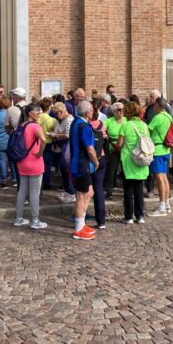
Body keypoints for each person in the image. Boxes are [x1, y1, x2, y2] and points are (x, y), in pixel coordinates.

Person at [12, 103, 47, 229]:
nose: (39, 113)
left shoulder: (20, 126)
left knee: (22, 191)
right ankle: (35, 220)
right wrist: (40, 153)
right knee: (34, 193)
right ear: (30, 113)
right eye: (37, 111)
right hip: (34, 162)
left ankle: (19, 218)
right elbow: (43, 140)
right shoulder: (35, 126)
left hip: (22, 162)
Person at [117, 101, 150, 224]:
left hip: (128, 160)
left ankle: (128, 216)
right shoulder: (144, 125)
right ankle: (140, 216)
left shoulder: (126, 125)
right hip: (141, 159)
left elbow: (119, 144)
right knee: (139, 189)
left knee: (128, 190)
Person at [70, 100, 99, 240]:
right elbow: (90, 148)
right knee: (81, 196)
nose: (93, 112)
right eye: (92, 110)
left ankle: (81, 223)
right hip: (82, 164)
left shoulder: (76, 122)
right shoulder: (84, 126)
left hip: (78, 163)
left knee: (89, 192)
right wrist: (96, 161)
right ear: (87, 112)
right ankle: (78, 228)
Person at [148, 97, 173, 216]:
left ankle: (162, 205)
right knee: (164, 177)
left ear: (158, 105)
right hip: (166, 149)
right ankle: (167, 204)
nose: (153, 108)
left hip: (157, 149)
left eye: (154, 105)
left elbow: (148, 131)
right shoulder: (169, 116)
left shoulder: (157, 117)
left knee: (159, 178)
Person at [88, 99, 108, 229]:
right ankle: (101, 221)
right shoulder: (101, 124)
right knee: (99, 189)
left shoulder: (85, 125)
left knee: (85, 190)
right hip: (101, 157)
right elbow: (105, 138)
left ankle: (80, 216)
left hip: (89, 159)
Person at [50, 102, 75, 203]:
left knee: (66, 170)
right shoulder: (60, 120)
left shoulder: (69, 120)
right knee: (63, 171)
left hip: (66, 147)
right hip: (60, 147)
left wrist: (56, 135)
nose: (56, 116)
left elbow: (68, 135)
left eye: (56, 113)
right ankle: (67, 191)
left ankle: (71, 193)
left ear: (61, 111)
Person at [103, 101, 126, 199]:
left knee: (126, 169)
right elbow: (101, 129)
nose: (121, 112)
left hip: (125, 147)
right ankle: (109, 191)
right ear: (114, 111)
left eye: (123, 110)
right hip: (113, 147)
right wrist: (105, 135)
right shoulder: (109, 120)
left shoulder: (127, 120)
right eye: (119, 110)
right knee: (112, 169)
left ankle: (127, 190)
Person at [38, 98, 57, 190]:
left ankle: (38, 181)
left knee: (38, 162)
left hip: (38, 143)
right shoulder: (52, 120)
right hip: (48, 143)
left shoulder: (37, 117)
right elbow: (55, 132)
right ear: (49, 107)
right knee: (47, 164)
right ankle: (46, 183)